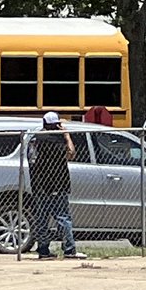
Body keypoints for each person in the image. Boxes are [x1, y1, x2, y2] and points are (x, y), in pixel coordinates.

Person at [28, 111, 87, 260]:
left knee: (41, 218)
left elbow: (31, 160)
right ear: (56, 125)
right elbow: (71, 153)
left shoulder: (35, 139)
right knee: (63, 218)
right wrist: (67, 135)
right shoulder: (57, 140)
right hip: (57, 185)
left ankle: (43, 250)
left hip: (39, 186)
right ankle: (69, 250)